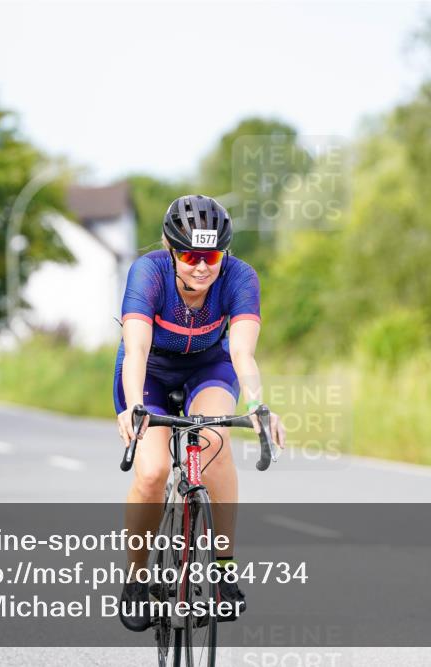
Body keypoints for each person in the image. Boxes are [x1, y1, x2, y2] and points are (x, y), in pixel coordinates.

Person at [115, 195, 286, 632]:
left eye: (211, 256)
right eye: (190, 255)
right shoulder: (148, 273)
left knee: (214, 441)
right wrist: (135, 407)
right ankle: (136, 580)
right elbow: (135, 348)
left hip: (210, 367)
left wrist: (257, 405)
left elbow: (243, 352)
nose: (201, 266)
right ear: (172, 251)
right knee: (152, 472)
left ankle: (224, 570)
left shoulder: (240, 277)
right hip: (150, 373)